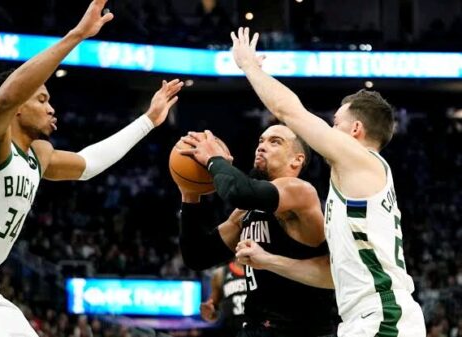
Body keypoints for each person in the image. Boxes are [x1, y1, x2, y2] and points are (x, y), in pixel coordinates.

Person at [0, 1, 184, 336]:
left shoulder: (38, 155)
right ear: (18, 108)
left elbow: (88, 164)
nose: (52, 108)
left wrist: (149, 120)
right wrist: (76, 36)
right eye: (41, 100)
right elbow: (3, 100)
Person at [230, 27, 426, 336]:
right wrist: (269, 261)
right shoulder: (357, 183)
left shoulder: (361, 159)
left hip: (380, 319)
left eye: (335, 123)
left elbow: (288, 111)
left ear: (356, 130)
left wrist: (249, 67)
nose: (330, 130)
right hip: (368, 319)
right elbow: (332, 275)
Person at [178, 124, 336, 337]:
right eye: (261, 141)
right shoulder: (245, 212)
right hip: (255, 327)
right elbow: (197, 255)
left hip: (301, 330)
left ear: (297, 160)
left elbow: (239, 191)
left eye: (275, 142)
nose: (261, 147)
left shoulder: (301, 193)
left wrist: (215, 159)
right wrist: (190, 195)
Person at [200, 261, 247, 337]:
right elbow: (214, 310)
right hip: (232, 331)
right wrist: (209, 313)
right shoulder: (220, 273)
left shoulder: (263, 269)